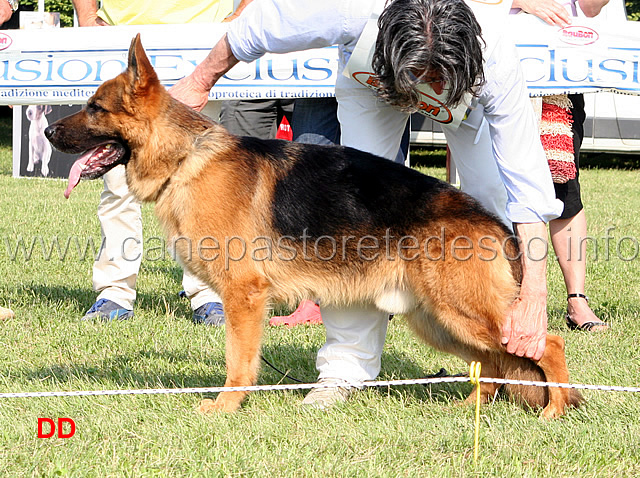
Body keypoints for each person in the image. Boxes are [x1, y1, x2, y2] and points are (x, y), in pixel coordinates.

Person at [169, 0, 564, 408]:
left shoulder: (495, 53)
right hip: (371, 81)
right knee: (348, 219)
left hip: (472, 90)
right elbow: (251, 29)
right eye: (419, 75)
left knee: (489, 202)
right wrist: (200, 81)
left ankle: (505, 359)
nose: (429, 89)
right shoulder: (349, 8)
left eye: (438, 78)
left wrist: (533, 295)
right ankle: (345, 369)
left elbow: (528, 183)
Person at [71, 0, 252, 325]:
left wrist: (241, 14)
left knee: (201, 188)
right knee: (118, 184)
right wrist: (86, 15)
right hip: (120, 41)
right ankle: (114, 293)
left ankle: (208, 294)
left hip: (201, 45)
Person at [511, 0, 609, 331]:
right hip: (501, 68)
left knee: (564, 188)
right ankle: (504, 295)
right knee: (496, 190)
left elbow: (589, 8)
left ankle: (577, 301)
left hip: (561, 73)